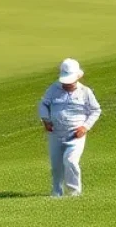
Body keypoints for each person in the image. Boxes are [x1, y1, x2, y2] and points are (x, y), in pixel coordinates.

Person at [38, 58, 102, 197]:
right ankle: (57, 193)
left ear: (78, 77)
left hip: (75, 135)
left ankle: (74, 193)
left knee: (71, 160)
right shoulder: (53, 89)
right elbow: (43, 104)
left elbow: (96, 110)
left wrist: (85, 127)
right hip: (55, 133)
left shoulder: (85, 92)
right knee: (56, 166)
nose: (67, 84)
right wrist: (46, 120)